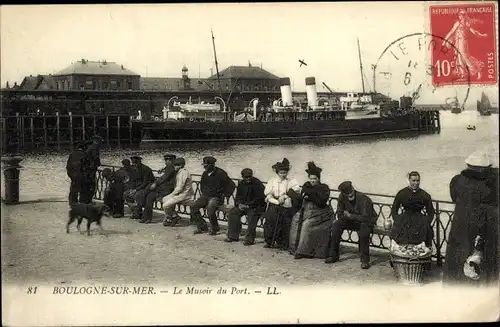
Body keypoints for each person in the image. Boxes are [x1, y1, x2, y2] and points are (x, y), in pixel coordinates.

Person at [444, 151, 499, 285]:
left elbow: (454, 197)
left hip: (460, 226)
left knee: (457, 261)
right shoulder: (492, 182)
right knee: (483, 262)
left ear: (468, 165)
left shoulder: (457, 180)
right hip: (486, 227)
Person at [325, 181, 377, 269]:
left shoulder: (364, 199)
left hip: (365, 222)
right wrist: (347, 217)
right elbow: (340, 213)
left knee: (364, 230)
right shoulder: (342, 197)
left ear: (353, 189)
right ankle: (333, 255)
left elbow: (365, 218)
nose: (350, 196)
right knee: (336, 225)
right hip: (351, 221)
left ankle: (365, 260)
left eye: (351, 194)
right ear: (344, 194)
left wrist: (350, 215)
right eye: (347, 195)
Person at [289, 162, 334, 259]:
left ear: (319, 179)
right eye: (311, 178)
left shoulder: (324, 187)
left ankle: (303, 251)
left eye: (315, 179)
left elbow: (321, 202)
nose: (313, 181)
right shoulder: (306, 185)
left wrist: (310, 195)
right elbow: (302, 197)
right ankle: (294, 247)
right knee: (296, 220)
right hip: (307, 209)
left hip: (321, 213)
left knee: (307, 224)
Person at [190, 156, 236, 235]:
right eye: (204, 165)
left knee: (210, 208)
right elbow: (202, 185)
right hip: (205, 196)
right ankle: (202, 226)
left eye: (206, 165)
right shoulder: (205, 173)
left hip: (216, 197)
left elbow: (232, 185)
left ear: (212, 165)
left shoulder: (221, 173)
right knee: (193, 206)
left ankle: (215, 228)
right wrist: (204, 193)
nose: (204, 167)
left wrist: (226, 195)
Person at [262, 158, 301, 250]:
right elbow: (268, 193)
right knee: (270, 220)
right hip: (274, 202)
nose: (283, 175)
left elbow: (296, 191)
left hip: (286, 203)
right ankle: (269, 241)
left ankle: (283, 243)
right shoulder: (272, 181)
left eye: (285, 173)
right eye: (281, 173)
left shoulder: (290, 181)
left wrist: (285, 196)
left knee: (285, 222)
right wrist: (275, 200)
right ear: (277, 173)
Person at [390, 171, 435, 249]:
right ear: (409, 180)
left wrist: (426, 221)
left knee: (424, 233)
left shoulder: (425, 195)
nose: (416, 183)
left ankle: (420, 256)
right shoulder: (402, 193)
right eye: (413, 181)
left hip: (419, 219)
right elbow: (394, 209)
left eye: (418, 181)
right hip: (404, 218)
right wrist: (397, 219)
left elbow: (431, 212)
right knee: (400, 234)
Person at [224, 168, 266, 246]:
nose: (248, 179)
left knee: (252, 217)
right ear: (242, 177)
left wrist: (249, 205)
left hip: (255, 206)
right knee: (233, 213)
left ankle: (249, 239)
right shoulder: (241, 183)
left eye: (249, 177)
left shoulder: (257, 183)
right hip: (243, 206)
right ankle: (233, 236)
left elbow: (260, 198)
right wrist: (239, 204)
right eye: (246, 177)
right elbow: (238, 196)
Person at [133, 154, 177, 223]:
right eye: (165, 160)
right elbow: (167, 170)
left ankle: (140, 206)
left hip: (167, 190)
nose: (166, 162)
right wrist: (163, 168)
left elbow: (163, 178)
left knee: (148, 188)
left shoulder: (171, 168)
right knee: (149, 197)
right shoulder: (171, 167)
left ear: (172, 160)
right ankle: (146, 218)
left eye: (167, 160)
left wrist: (155, 183)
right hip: (163, 189)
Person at [162, 157, 195, 227]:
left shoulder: (183, 173)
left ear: (181, 166)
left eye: (176, 165)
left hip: (185, 195)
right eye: (174, 165)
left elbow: (179, 188)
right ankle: (174, 216)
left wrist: (171, 195)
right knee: (164, 199)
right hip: (181, 194)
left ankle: (173, 217)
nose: (175, 166)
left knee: (165, 205)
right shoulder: (180, 172)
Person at [128, 156, 155, 220]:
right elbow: (132, 180)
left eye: (136, 163)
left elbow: (145, 182)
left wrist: (135, 190)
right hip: (138, 187)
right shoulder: (133, 169)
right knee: (126, 194)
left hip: (147, 187)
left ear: (140, 162)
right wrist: (132, 189)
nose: (134, 164)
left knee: (138, 195)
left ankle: (138, 212)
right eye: (133, 163)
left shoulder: (146, 169)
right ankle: (136, 212)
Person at [80, 136, 102, 204]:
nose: (100, 142)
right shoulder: (94, 147)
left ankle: (84, 200)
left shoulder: (90, 147)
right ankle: (88, 200)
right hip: (90, 169)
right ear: (96, 141)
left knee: (87, 184)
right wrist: (98, 164)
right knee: (91, 184)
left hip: (87, 169)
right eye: (99, 141)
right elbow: (95, 157)